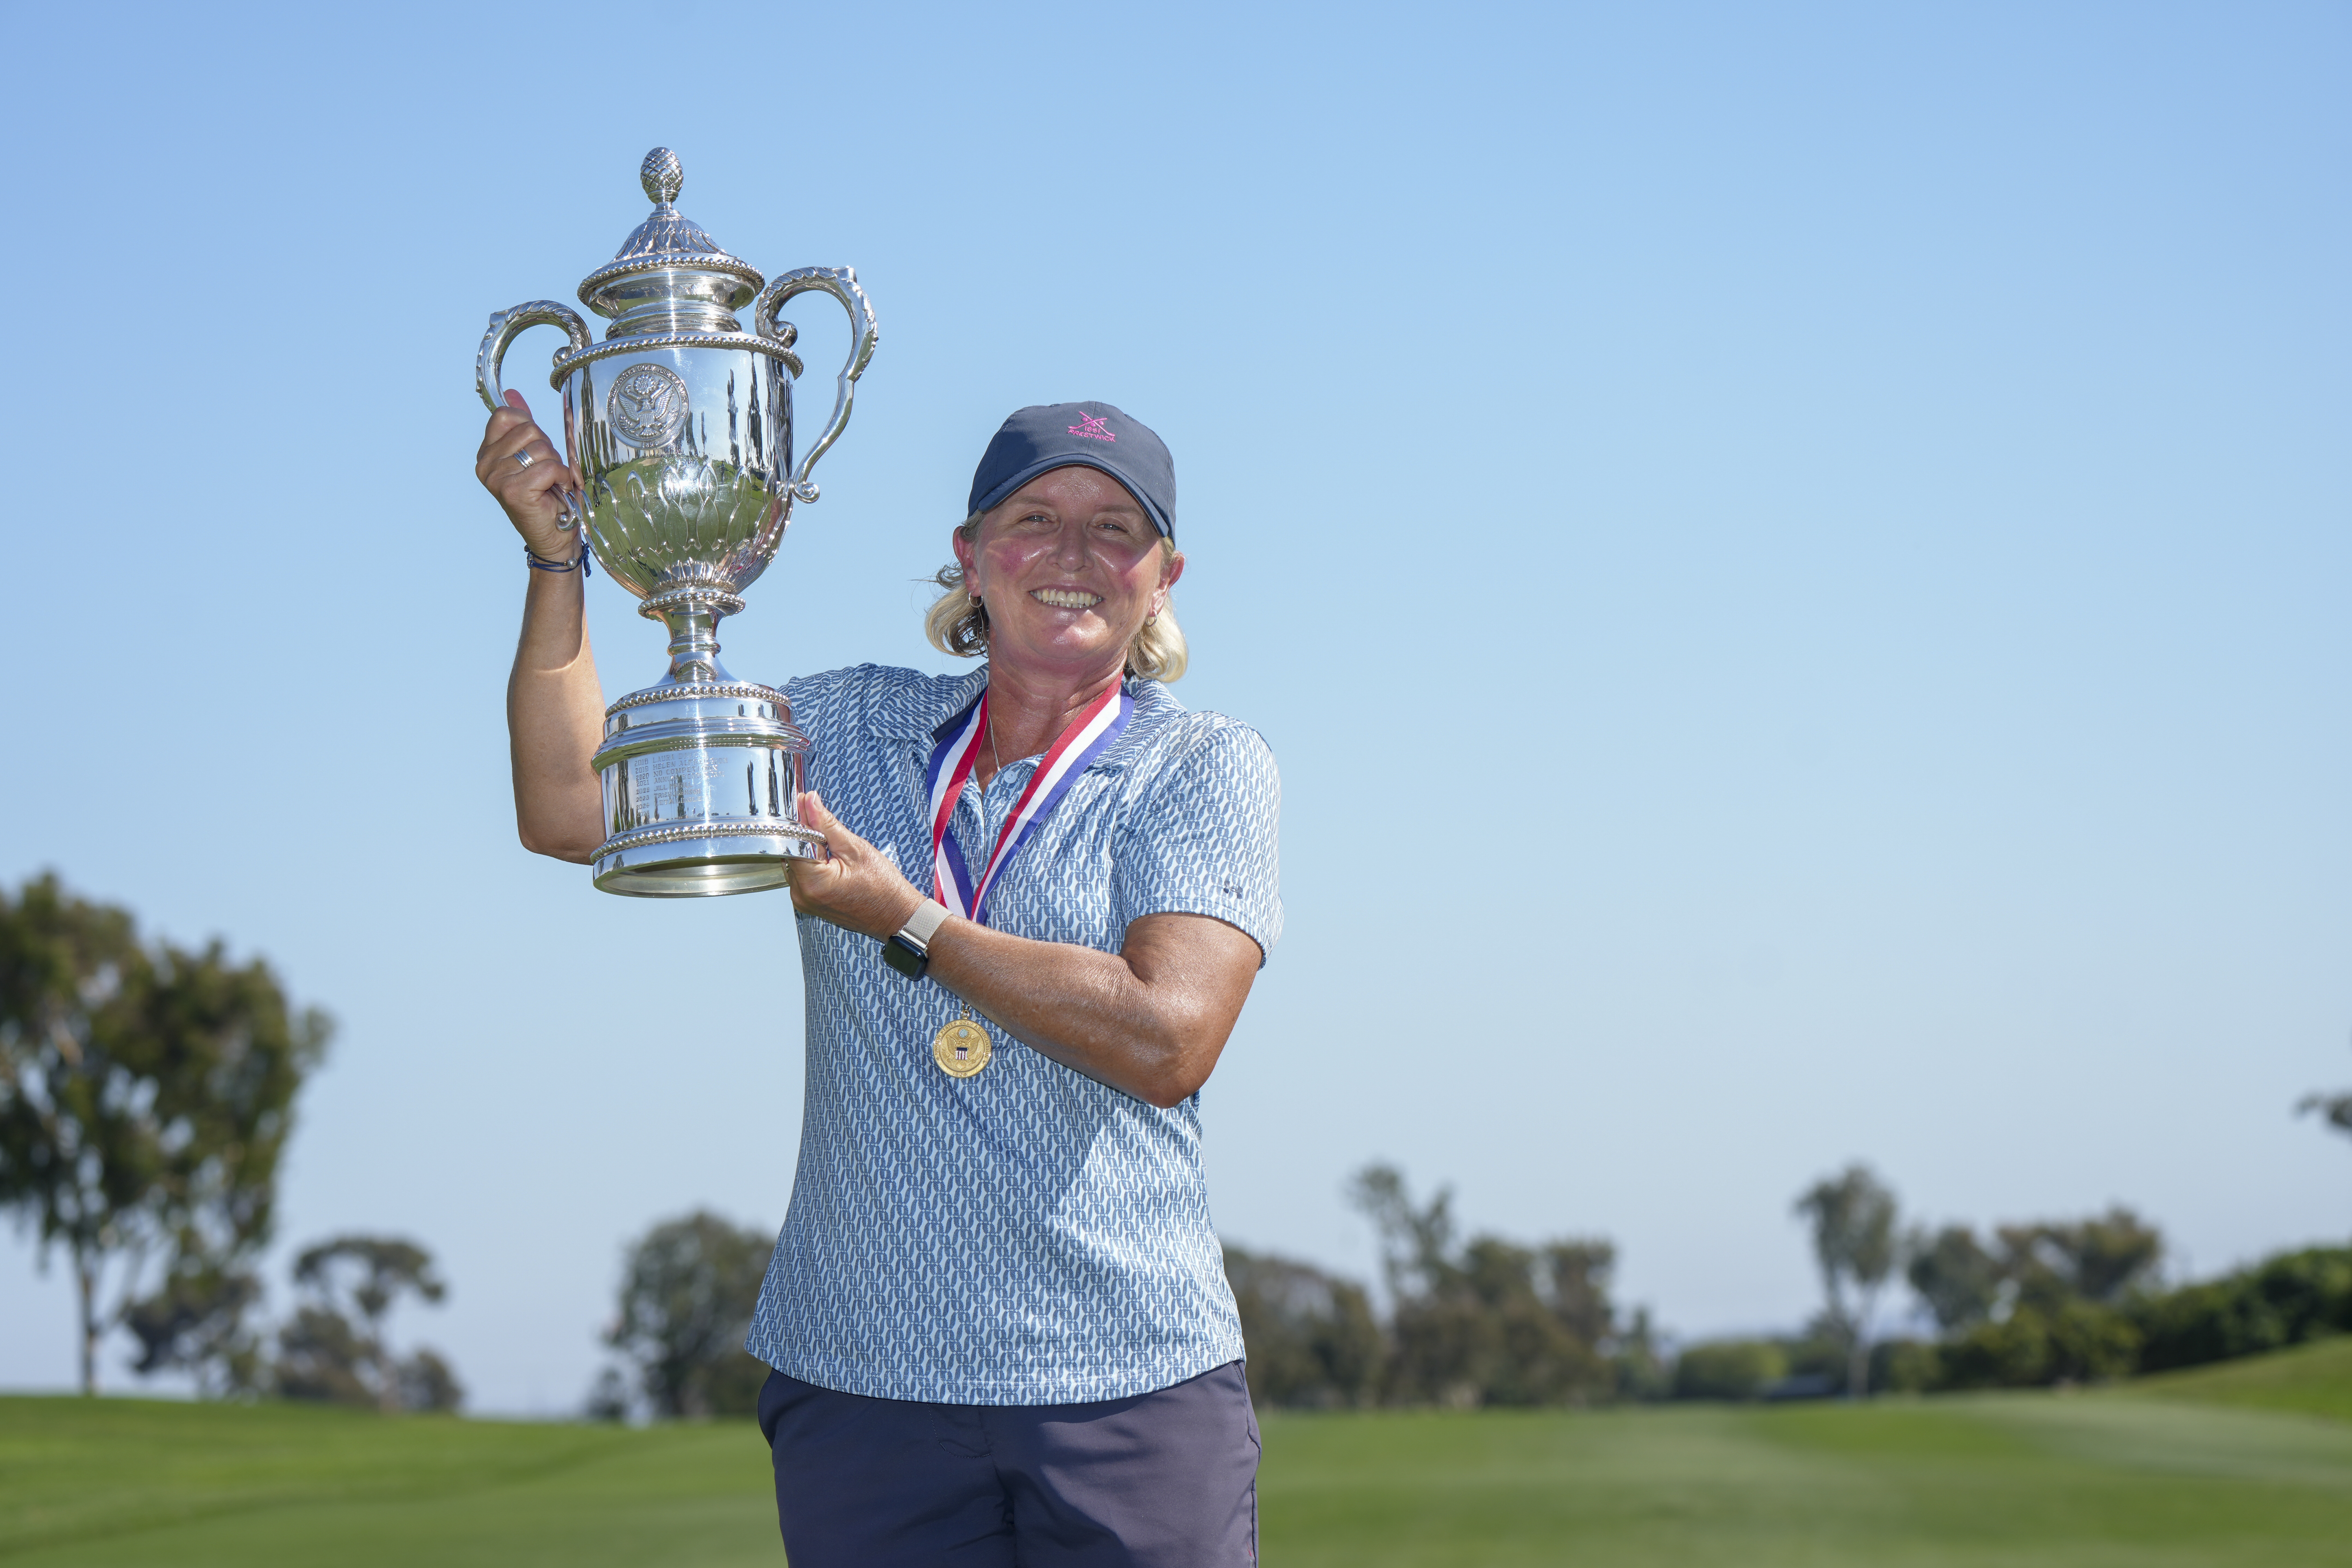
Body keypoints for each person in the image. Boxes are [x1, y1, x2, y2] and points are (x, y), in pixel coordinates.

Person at [476, 395, 1281, 1566]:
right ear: (971, 556)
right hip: (862, 1379)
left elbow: (1169, 1038)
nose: (1072, 554)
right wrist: (560, 563)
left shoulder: (1201, 764)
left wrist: (911, 920)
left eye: (1117, 529)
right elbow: (567, 810)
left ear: (1165, 578)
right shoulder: (849, 726)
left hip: (1126, 1381)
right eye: (1033, 519)